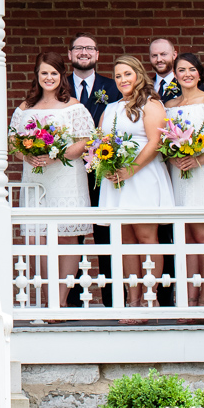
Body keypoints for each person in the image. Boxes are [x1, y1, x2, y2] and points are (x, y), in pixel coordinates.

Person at [10, 51, 96, 311]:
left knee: (65, 238)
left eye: (54, 73)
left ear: (62, 77)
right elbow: (13, 141)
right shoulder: (25, 108)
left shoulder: (74, 106)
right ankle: (49, 300)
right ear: (37, 75)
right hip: (36, 179)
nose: (49, 77)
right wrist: (27, 155)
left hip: (66, 177)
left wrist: (58, 154)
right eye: (44, 73)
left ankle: (60, 301)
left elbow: (86, 140)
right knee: (37, 238)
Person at [97, 54, 174, 324]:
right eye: (118, 76)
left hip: (142, 177)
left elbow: (155, 142)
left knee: (146, 238)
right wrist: (104, 167)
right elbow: (100, 141)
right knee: (125, 241)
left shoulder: (151, 105)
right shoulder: (112, 108)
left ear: (139, 75)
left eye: (127, 74)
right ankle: (133, 299)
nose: (122, 80)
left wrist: (131, 169)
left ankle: (151, 299)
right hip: (117, 181)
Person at [162, 52, 204, 311]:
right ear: (175, 75)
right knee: (186, 238)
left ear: (200, 74)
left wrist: (198, 160)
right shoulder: (169, 106)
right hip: (178, 174)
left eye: (192, 69)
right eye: (181, 70)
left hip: (203, 173)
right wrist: (173, 157)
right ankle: (189, 299)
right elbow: (163, 142)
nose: (187, 74)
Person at [66, 32, 116, 306]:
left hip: (102, 173)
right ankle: (69, 302)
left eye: (89, 48)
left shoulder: (113, 86)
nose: (84, 52)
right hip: (67, 174)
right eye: (78, 48)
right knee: (70, 236)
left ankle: (112, 301)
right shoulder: (56, 86)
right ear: (70, 55)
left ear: (97, 55)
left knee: (106, 235)